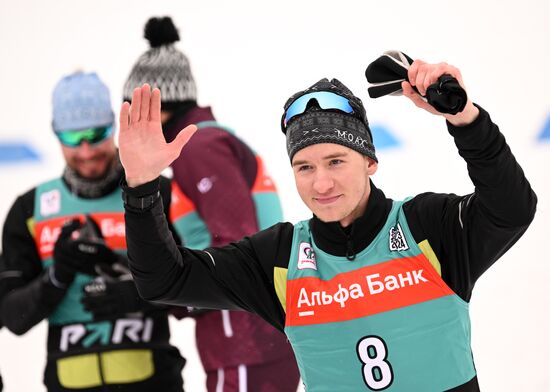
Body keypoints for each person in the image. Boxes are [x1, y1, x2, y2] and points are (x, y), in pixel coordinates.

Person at [117, 58, 537, 391]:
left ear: (370, 161)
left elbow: (512, 209)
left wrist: (466, 119)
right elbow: (165, 281)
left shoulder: (427, 227)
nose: (321, 183)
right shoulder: (279, 260)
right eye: (304, 167)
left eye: (336, 161)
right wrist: (140, 188)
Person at [122, 16, 300, 391]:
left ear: (158, 107)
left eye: (133, 109)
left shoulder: (199, 149)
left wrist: (178, 296)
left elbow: (236, 247)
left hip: (248, 343)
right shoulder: (200, 146)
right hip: (246, 341)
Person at [0, 72, 186, 391]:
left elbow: (201, 291)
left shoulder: (156, 193)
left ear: (113, 126)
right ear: (56, 135)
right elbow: (13, 318)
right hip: (68, 382)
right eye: (73, 138)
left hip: (154, 379)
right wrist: (57, 276)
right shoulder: (31, 209)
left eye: (97, 133)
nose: (86, 151)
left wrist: (137, 294)